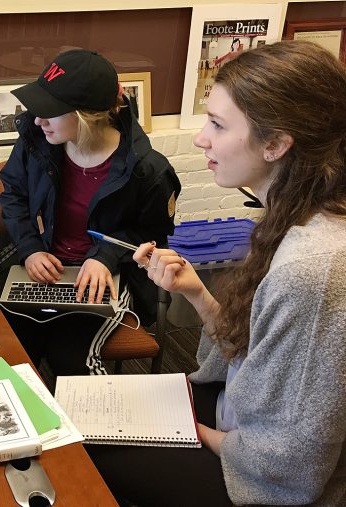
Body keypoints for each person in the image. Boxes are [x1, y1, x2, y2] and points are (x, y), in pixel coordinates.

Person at [89, 40, 346, 506]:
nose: (199, 138)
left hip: (268, 479)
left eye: (218, 124)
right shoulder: (297, 216)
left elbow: (294, 459)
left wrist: (201, 435)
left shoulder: (313, 268)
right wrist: (195, 292)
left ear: (276, 144)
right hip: (241, 420)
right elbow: (257, 353)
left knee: (88, 453)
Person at [0, 49, 180, 376]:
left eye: (50, 111)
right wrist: (30, 249)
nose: (37, 120)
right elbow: (14, 195)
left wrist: (104, 256)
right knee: (9, 354)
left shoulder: (148, 170)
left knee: (71, 359)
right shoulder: (37, 139)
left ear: (88, 116)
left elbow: (150, 237)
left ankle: (89, 425)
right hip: (43, 264)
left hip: (106, 274)